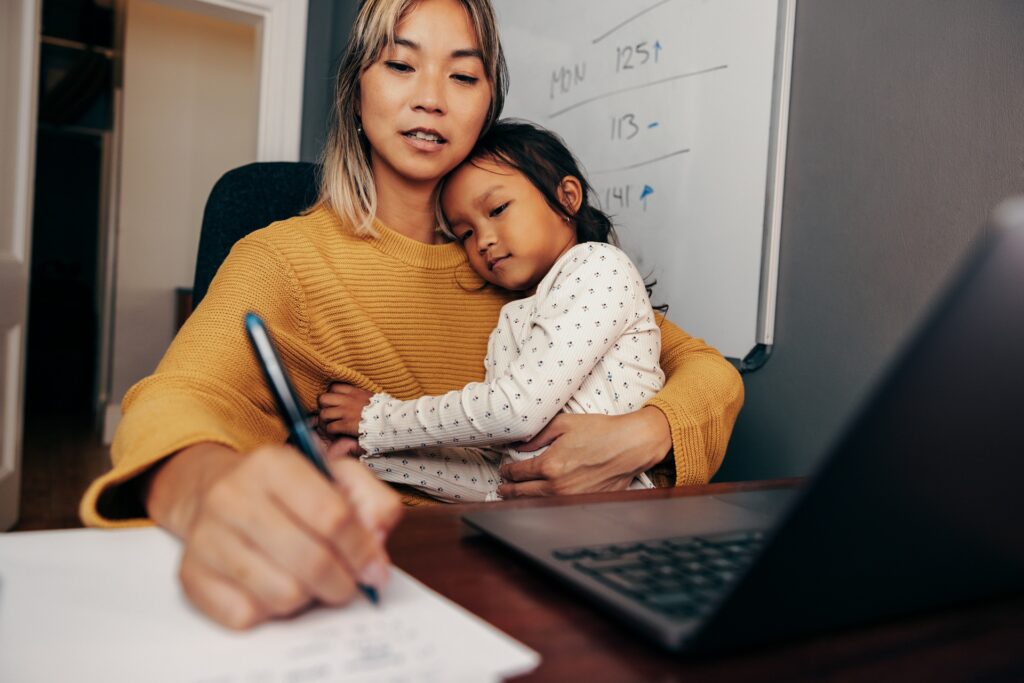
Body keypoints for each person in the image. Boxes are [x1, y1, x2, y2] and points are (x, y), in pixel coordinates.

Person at [80, 0, 744, 630]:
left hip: (559, 578)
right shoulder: (283, 258)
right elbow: (179, 397)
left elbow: (704, 368)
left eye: (463, 74)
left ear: (488, 105)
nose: (431, 96)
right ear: (356, 88)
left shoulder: (527, 262)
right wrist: (203, 489)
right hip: (374, 589)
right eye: (401, 65)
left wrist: (644, 433)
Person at [317, 120, 665, 502]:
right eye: (465, 232)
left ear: (567, 197)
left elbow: (515, 411)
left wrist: (375, 421)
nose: (483, 240)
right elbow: (505, 480)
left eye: (498, 209)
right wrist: (369, 458)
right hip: (540, 528)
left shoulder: (599, 266)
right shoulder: (512, 319)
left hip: (617, 517)